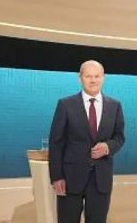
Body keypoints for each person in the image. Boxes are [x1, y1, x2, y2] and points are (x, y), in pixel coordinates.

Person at [49, 60, 126, 223]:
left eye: (97, 76)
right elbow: (56, 142)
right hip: (70, 180)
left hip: (100, 180)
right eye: (88, 76)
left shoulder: (115, 106)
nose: (93, 80)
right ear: (80, 78)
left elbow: (119, 137)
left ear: (103, 78)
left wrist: (107, 147)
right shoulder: (65, 105)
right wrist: (57, 177)